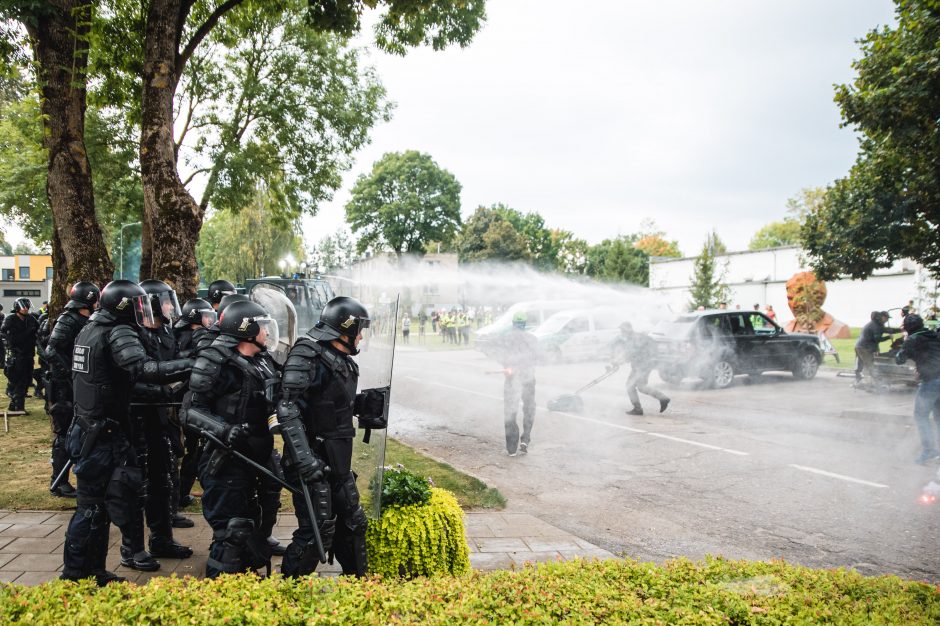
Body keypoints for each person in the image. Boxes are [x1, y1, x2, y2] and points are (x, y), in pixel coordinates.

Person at [61, 280, 192, 586]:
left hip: (90, 429)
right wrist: (191, 364)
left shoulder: (90, 328)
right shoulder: (117, 330)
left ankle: (93, 571)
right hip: (103, 435)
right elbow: (143, 369)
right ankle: (76, 575)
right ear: (124, 307)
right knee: (93, 509)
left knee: (101, 507)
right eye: (138, 305)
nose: (143, 310)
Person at [277, 296, 387, 577]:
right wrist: (305, 461)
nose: (361, 336)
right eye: (359, 329)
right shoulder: (307, 353)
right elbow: (287, 408)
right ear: (344, 329)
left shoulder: (341, 359)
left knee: (354, 524)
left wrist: (363, 405)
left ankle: (359, 590)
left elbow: (328, 404)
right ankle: (287, 594)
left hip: (338, 462)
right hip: (312, 462)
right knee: (317, 533)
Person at [183, 299, 281, 578]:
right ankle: (219, 591)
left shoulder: (263, 361)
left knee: (254, 527)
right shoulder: (215, 361)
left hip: (256, 459)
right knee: (232, 531)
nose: (267, 332)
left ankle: (246, 583)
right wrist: (224, 430)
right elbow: (189, 412)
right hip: (226, 461)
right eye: (262, 326)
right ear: (246, 329)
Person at [117, 279, 193, 573]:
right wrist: (167, 390)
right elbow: (134, 381)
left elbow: (172, 364)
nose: (171, 306)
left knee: (162, 479)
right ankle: (132, 549)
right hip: (136, 418)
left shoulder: (164, 331)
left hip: (160, 416)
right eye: (166, 301)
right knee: (135, 486)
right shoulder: (132, 335)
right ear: (149, 304)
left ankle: (161, 538)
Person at [45, 281, 100, 497]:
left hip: (78, 385)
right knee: (64, 434)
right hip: (63, 388)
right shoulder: (68, 320)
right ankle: (59, 482)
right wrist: (70, 374)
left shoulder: (85, 319)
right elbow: (51, 350)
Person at [173, 298, 217, 509]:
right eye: (206, 316)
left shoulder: (175, 334)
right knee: (192, 450)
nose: (210, 320)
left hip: (181, 401)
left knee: (189, 450)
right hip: (185, 401)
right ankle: (180, 494)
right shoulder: (193, 337)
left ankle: (181, 494)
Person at [894, 314, 940, 465]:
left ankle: (930, 451)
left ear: (908, 328)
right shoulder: (933, 335)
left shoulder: (912, 340)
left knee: (921, 415)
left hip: (931, 381)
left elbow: (899, 359)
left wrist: (903, 345)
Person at [493, 311, 538, 456]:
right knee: (529, 409)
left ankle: (512, 448)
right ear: (525, 324)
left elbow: (500, 356)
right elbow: (537, 357)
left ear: (513, 324)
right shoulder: (532, 339)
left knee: (510, 412)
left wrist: (507, 366)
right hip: (528, 379)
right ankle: (526, 438)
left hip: (512, 379)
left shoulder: (506, 338)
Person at [612, 321, 670, 416]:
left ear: (626, 330)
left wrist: (617, 362)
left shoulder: (633, 339)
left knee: (631, 386)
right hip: (642, 365)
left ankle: (638, 408)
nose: (621, 332)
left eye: (622, 330)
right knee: (641, 386)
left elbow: (630, 354)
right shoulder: (636, 337)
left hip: (641, 366)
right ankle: (661, 398)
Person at [2, 298, 39, 412]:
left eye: (27, 306)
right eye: (24, 307)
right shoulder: (10, 319)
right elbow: (11, 338)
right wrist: (28, 332)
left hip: (28, 354)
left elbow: (38, 329)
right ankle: (18, 405)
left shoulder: (31, 319)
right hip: (16, 355)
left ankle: (14, 404)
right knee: (19, 380)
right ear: (17, 308)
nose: (26, 309)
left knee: (27, 379)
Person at [855, 311, 901, 388]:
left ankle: (859, 380)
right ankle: (876, 384)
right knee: (870, 365)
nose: (887, 320)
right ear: (882, 317)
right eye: (886, 318)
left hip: (860, 346)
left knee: (861, 365)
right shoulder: (876, 326)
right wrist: (888, 337)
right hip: (864, 348)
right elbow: (877, 339)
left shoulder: (876, 324)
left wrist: (900, 330)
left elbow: (888, 330)